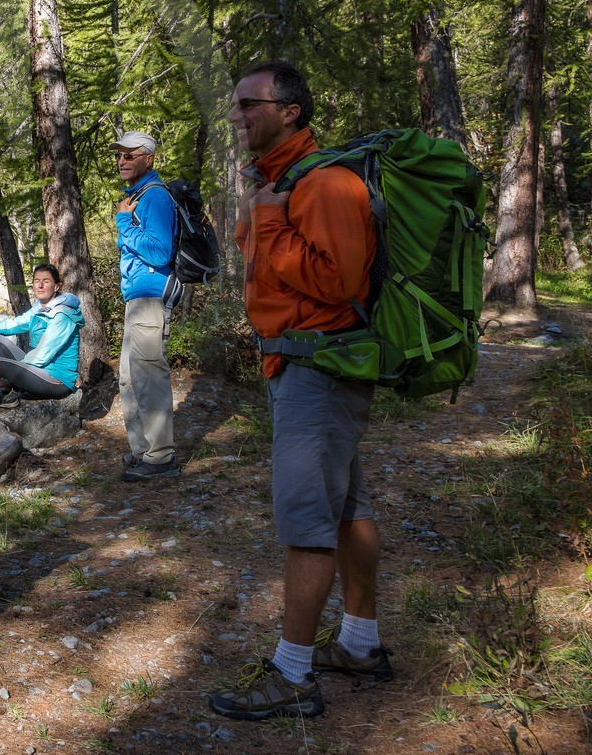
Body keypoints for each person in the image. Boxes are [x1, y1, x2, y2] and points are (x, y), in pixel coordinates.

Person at [207, 59, 389, 722]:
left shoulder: (326, 185)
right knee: (345, 507)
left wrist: (271, 225)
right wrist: (263, 216)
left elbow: (337, 282)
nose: (237, 115)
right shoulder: (281, 183)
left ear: (290, 111)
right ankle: (361, 645)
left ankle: (291, 675)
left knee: (307, 523)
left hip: (319, 369)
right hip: (303, 367)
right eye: (236, 105)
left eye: (250, 104)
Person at [110, 130, 181, 482]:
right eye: (120, 155)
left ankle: (161, 457)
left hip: (152, 296)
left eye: (130, 154)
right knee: (129, 378)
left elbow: (159, 251)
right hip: (137, 298)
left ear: (149, 158)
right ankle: (143, 451)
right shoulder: (137, 196)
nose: (122, 160)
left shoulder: (154, 197)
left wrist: (123, 221)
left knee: (149, 376)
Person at [0, 263, 83, 415]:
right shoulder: (41, 308)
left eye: (46, 281)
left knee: (0, 365)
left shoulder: (62, 314)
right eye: (37, 281)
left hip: (57, 380)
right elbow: (14, 324)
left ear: (56, 287)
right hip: (40, 370)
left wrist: (10, 376)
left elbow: (43, 354)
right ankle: (5, 395)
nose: (41, 285)